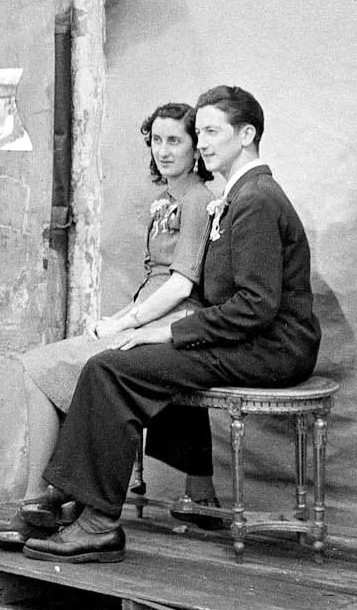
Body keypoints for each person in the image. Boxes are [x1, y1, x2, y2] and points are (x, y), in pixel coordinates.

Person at [26, 85, 321, 563]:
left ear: (247, 135)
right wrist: (153, 331)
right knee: (129, 361)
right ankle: (78, 500)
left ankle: (96, 523)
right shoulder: (238, 195)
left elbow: (256, 307)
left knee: (110, 369)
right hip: (251, 340)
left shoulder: (256, 198)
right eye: (199, 132)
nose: (202, 143)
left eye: (212, 132)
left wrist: (165, 332)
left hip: (272, 348)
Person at [0, 102, 216, 551]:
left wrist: (124, 323)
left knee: (40, 367)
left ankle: (38, 500)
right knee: (47, 367)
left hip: (171, 322)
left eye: (175, 141)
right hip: (149, 313)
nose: (164, 151)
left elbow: (181, 284)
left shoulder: (196, 200)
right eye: (157, 140)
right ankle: (55, 498)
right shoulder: (168, 199)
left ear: (196, 149)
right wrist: (119, 318)